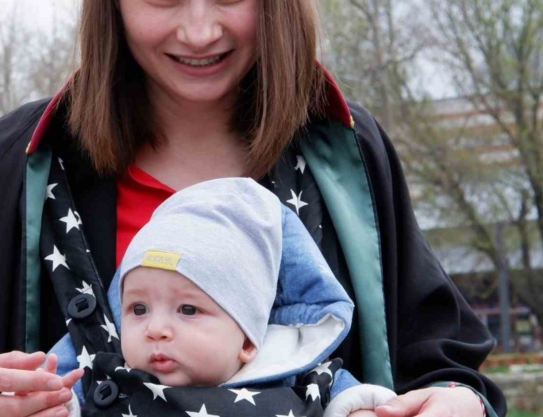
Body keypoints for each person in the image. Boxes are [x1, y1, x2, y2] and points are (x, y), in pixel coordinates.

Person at [0, 0, 506, 416]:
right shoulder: (8, 163)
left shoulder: (348, 152)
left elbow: (444, 364)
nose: (199, 32)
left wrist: (458, 402)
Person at [48, 178, 397, 416]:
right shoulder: (107, 375)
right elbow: (53, 394)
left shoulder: (293, 370)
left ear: (247, 339)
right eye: (138, 308)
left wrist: (360, 407)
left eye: (187, 309)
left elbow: (355, 402)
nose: (155, 329)